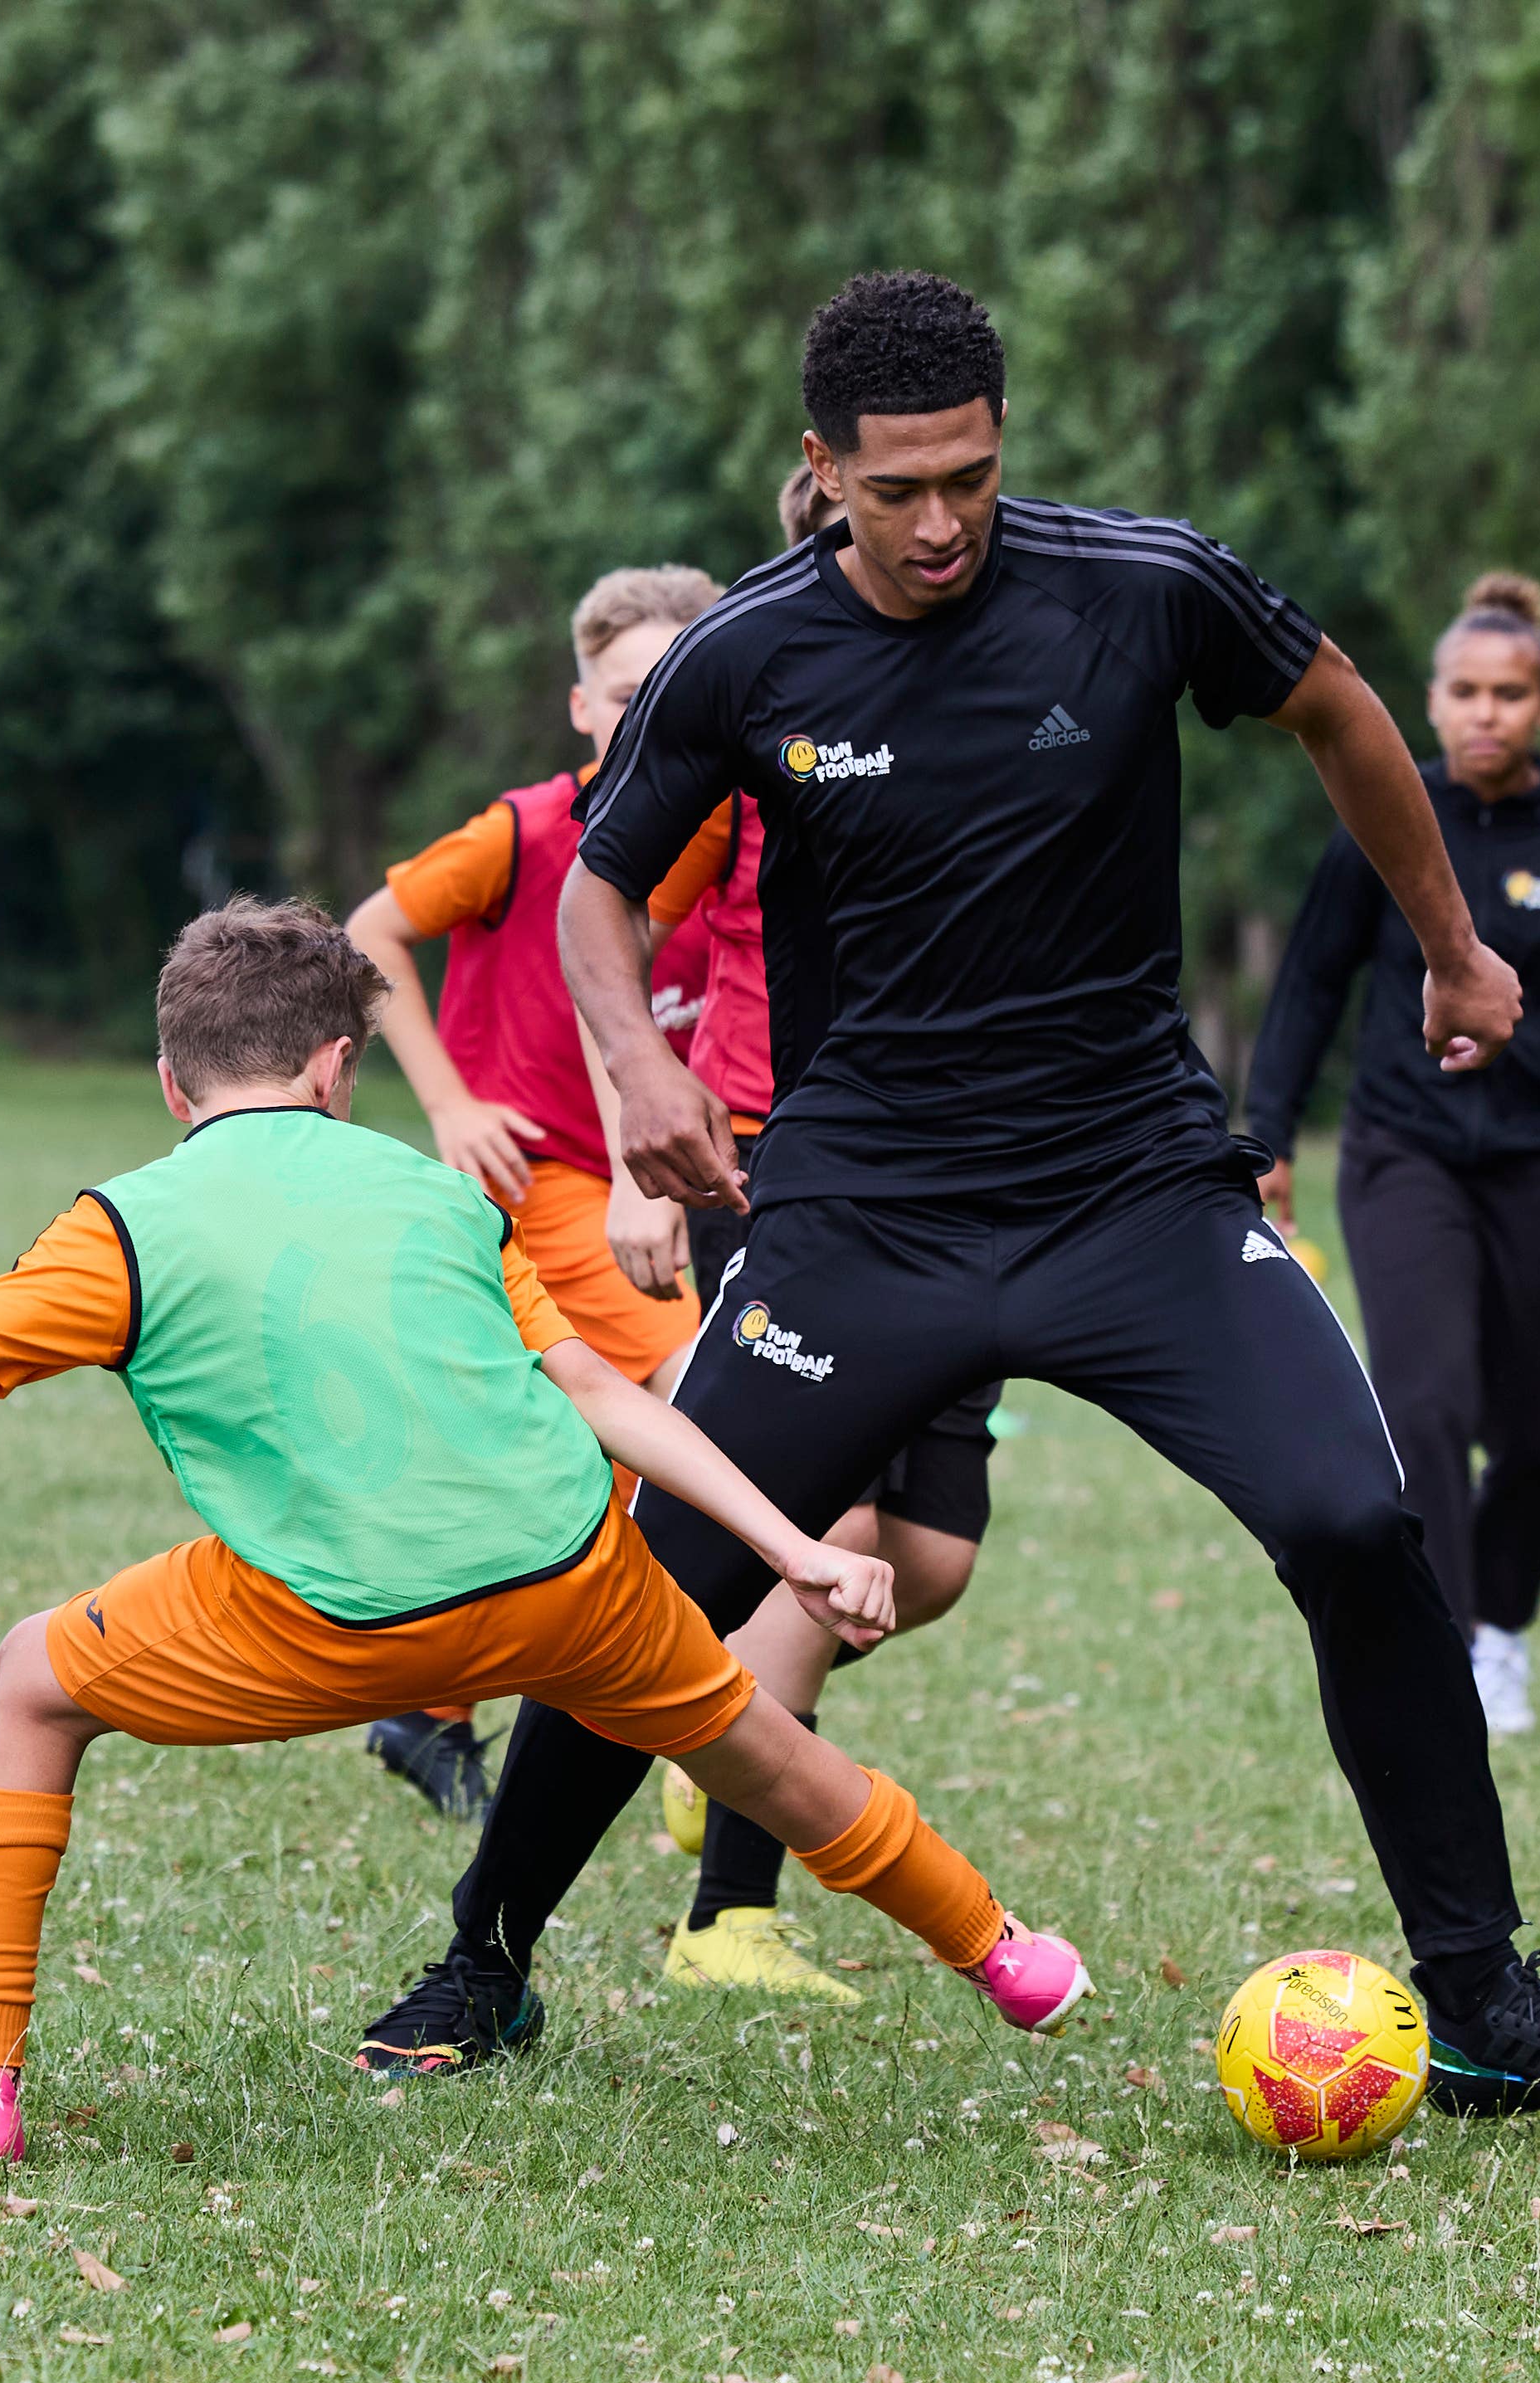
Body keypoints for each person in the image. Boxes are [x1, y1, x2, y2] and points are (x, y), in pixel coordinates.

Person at [357, 270, 1540, 2131]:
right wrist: (635, 1070)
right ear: (818, 469)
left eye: (966, 478)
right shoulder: (744, 654)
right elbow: (597, 886)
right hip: (863, 1211)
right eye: (891, 486)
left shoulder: (1144, 586)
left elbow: (1338, 711)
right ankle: (484, 1955)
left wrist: (1453, 951)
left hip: (1131, 1188)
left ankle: (1476, 1994)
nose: (933, 524)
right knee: (656, 1582)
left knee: (1357, 1519)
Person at [0, 899, 1091, 2157]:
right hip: (572, 1585)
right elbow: (604, 1399)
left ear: (170, 1084)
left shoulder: (123, 1222)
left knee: (30, 1679)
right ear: (343, 1068)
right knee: (767, 1748)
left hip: (323, 1622)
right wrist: (796, 1544)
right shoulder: (443, 1196)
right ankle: (1009, 1956)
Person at [587, 461, 1001, 2005]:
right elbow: (609, 923)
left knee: (933, 1559)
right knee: (813, 1537)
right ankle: (728, 1910)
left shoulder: (974, 730)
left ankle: (730, 1712)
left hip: (954, 1177)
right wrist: (639, 1149)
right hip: (769, 1163)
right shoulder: (752, 749)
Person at [1243, 572, 1540, 1738]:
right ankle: (1453, 1651)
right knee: (1422, 1401)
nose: (1486, 714)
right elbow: (1311, 985)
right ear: (1428, 702)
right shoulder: (1384, 814)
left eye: (1510, 694)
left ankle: (1505, 1633)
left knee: (1532, 1432)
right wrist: (1264, 1134)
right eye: (1465, 692)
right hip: (1403, 1151)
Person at [337, 568, 724, 1820]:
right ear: (578, 704)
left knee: (558, 1460)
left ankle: (433, 1701)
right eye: (623, 693)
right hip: (550, 1183)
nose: (644, 712)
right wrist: (450, 1102)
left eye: (669, 687)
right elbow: (364, 937)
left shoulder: (726, 836)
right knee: (690, 1397)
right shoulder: (524, 830)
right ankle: (680, 1705)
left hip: (665, 1174)